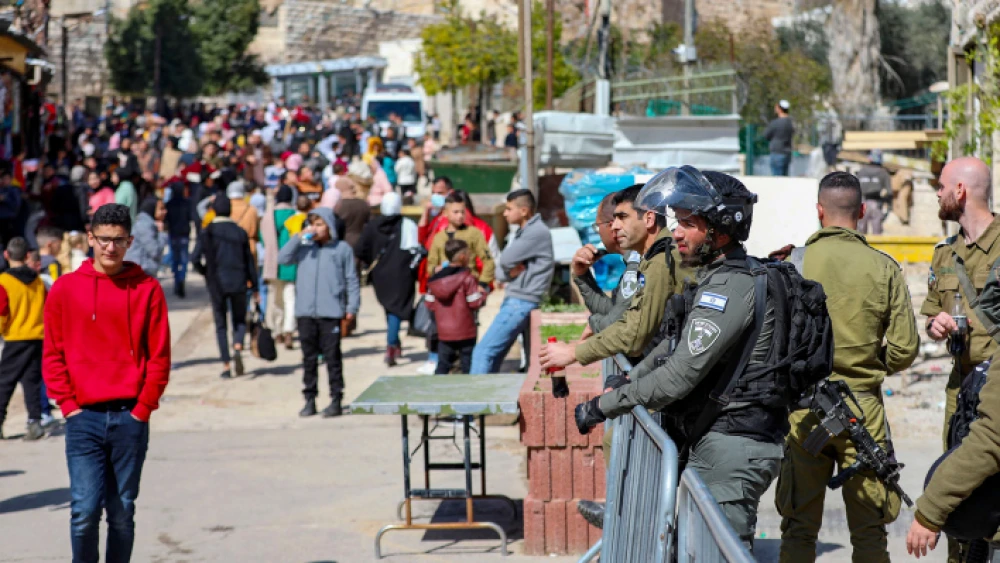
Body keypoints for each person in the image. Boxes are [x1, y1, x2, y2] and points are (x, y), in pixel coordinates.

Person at [572, 168, 779, 551]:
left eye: (689, 223)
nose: (677, 232)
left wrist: (604, 405)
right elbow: (673, 345)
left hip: (732, 450)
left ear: (719, 230)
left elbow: (679, 375)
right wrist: (631, 382)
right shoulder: (711, 279)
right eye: (677, 222)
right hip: (713, 441)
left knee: (716, 554)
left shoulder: (728, 287)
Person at [776, 171, 919, 562]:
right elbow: (905, 349)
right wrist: (869, 365)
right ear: (862, 210)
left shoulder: (791, 265)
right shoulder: (883, 267)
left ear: (819, 211)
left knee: (799, 529)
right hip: (863, 411)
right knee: (870, 531)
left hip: (804, 410)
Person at [43, 203, 171, 562]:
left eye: (118, 241)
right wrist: (68, 407)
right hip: (84, 418)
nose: (110, 248)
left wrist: (143, 409)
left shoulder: (147, 290)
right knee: (84, 512)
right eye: (103, 240)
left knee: (121, 513)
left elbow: (159, 357)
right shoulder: (65, 290)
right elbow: (52, 353)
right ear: (90, 238)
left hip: (130, 416)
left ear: (129, 241)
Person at [921, 156, 1000, 563]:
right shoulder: (944, 254)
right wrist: (937, 326)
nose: (937, 192)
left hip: (997, 390)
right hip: (961, 390)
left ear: (961, 191)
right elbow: (933, 311)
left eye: (941, 185)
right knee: (957, 484)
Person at [540, 185, 690, 375]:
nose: (615, 226)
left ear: (649, 218)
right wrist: (581, 276)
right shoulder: (649, 258)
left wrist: (574, 350)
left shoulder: (660, 260)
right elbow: (621, 314)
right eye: (613, 219)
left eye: (622, 218)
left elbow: (629, 330)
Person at [278, 207, 360, 418]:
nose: (314, 228)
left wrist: (351, 308)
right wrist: (298, 238)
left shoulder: (341, 249)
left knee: (332, 357)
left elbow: (351, 279)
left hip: (330, 312)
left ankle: (336, 398)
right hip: (306, 312)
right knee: (308, 358)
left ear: (329, 226)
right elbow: (282, 259)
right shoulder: (305, 248)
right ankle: (310, 398)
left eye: (319, 224)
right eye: (312, 223)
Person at [471, 190, 553, 374]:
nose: (505, 213)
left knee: (483, 352)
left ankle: (474, 399)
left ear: (524, 211)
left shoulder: (535, 232)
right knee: (496, 355)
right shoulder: (526, 231)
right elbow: (501, 271)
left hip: (521, 302)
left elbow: (505, 261)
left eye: (509, 209)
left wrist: (506, 271)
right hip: (519, 300)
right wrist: (507, 272)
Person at [191, 197, 259, 379]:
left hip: (216, 283)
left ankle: (226, 365)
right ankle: (237, 344)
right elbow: (249, 262)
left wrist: (206, 272)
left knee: (221, 323)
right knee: (239, 319)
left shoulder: (207, 232)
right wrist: (255, 285)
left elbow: (195, 258)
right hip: (238, 281)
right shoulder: (240, 232)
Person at [358, 192, 421, 366]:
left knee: (390, 308)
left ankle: (394, 342)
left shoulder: (372, 226)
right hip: (402, 275)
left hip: (380, 276)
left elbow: (360, 249)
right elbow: (415, 250)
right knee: (395, 309)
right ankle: (392, 343)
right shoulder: (408, 225)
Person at [573, 191, 643, 335]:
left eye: (597, 227)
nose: (598, 233)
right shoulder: (631, 260)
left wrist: (593, 324)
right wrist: (582, 275)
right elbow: (613, 310)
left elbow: (616, 324)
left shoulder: (638, 262)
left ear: (612, 227)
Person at [0, 237, 46, 441]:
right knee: (32, 381)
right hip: (37, 336)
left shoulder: (4, 282)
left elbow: (2, 312)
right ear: (28, 256)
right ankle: (34, 422)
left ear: (6, 255)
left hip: (16, 337)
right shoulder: (38, 281)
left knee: (4, 382)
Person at [426, 239, 488, 374]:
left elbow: (429, 303)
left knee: (443, 364)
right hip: (466, 331)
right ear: (462, 256)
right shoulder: (467, 278)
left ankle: (437, 390)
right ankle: (467, 392)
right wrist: (483, 294)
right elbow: (474, 302)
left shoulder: (435, 280)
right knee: (467, 365)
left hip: (443, 332)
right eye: (468, 253)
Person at [426, 192, 494, 286]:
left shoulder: (473, 233)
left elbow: (488, 261)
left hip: (468, 285)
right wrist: (436, 269)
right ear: (445, 213)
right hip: (446, 285)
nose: (460, 216)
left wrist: (482, 283)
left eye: (462, 212)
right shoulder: (439, 237)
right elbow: (431, 264)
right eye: (456, 212)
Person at [261, 184, 299, 348]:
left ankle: (277, 331)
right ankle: (288, 330)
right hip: (292, 264)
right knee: (290, 299)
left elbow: (263, 240)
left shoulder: (268, 217)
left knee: (275, 299)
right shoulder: (296, 216)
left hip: (273, 263)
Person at [124, 197, 169, 279]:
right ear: (151, 209)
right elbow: (155, 251)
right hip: (141, 271)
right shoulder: (145, 225)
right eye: (161, 209)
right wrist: (162, 234)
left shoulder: (148, 223)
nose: (165, 211)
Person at [164, 180, 193, 297]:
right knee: (184, 260)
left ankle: (177, 281)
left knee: (175, 260)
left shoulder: (169, 204)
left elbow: (167, 220)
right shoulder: (187, 203)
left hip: (173, 234)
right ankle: (181, 279)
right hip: (184, 234)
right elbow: (190, 217)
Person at [856, 150, 893, 235]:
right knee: (877, 234)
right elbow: (889, 192)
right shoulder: (883, 173)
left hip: (862, 204)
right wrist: (889, 207)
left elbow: (855, 190)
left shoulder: (861, 171)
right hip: (876, 204)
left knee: (861, 235)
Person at [764, 99, 795, 176]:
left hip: (776, 153)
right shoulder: (790, 122)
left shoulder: (775, 123)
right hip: (787, 153)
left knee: (777, 180)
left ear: (779, 109)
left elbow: (766, 135)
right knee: (784, 178)